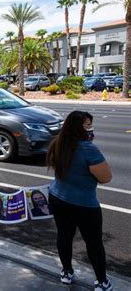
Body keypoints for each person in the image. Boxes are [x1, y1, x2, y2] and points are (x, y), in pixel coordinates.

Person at [47, 111, 113, 290]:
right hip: (84, 205)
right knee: (93, 243)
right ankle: (102, 282)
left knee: (64, 236)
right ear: (77, 128)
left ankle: (67, 272)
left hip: (57, 197)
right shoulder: (88, 149)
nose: (90, 129)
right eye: (87, 126)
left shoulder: (57, 144)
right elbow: (106, 177)